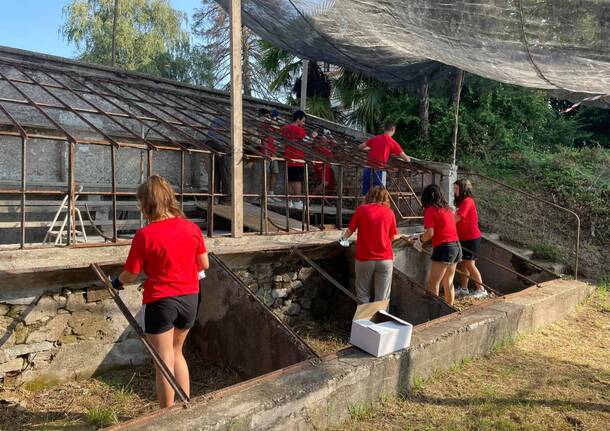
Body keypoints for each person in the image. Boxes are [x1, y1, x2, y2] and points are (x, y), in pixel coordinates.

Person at [112, 175, 209, 408]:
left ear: (146, 204)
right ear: (170, 199)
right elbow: (204, 264)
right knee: (178, 352)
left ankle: (166, 416)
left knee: (163, 360)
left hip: (161, 301)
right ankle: (186, 407)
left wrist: (116, 282)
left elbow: (131, 274)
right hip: (190, 299)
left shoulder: (145, 235)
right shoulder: (191, 228)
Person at [340, 186, 402, 303]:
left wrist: (342, 240)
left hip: (364, 258)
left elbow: (349, 231)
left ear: (369, 196)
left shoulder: (361, 210)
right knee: (382, 298)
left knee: (363, 295)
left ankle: (363, 320)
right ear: (385, 198)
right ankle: (381, 320)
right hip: (385, 259)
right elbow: (392, 236)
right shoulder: (390, 213)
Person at [412, 184, 461, 306]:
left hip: (444, 248)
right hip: (456, 246)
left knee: (433, 283)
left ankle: (434, 312)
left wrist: (420, 241)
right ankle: (449, 310)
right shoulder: (448, 209)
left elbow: (429, 233)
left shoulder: (430, 210)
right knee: (448, 282)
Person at [453, 179, 487, 298]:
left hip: (471, 238)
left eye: (456, 188)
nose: (454, 191)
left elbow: (457, 218)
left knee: (469, 264)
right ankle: (464, 288)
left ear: (463, 189)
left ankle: (481, 290)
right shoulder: (462, 202)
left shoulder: (467, 201)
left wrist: (443, 223)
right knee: (464, 264)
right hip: (464, 237)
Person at [358, 121, 411, 195]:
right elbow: (406, 159)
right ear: (393, 129)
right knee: (380, 195)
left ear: (384, 129)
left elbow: (360, 147)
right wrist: (409, 159)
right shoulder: (392, 142)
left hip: (368, 169)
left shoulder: (375, 139)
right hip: (380, 170)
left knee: (366, 195)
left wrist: (371, 148)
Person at [281, 110, 308, 209]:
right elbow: (307, 142)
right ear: (298, 119)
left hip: (288, 158)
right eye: (303, 121)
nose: (303, 124)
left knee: (289, 181)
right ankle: (297, 202)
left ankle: (288, 201)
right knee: (297, 181)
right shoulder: (300, 130)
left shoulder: (284, 128)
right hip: (298, 159)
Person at [205, 116, 231, 205]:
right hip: (222, 143)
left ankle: (214, 198)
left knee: (215, 172)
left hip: (210, 142)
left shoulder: (217, 118)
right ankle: (226, 199)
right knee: (225, 172)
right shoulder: (235, 116)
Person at [257, 108, 280, 201]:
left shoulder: (270, 124)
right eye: (266, 116)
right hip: (265, 151)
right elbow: (263, 138)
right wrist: (266, 152)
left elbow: (277, 129)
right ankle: (264, 194)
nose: (268, 117)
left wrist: (274, 120)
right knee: (266, 173)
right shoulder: (261, 124)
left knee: (274, 172)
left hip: (273, 151)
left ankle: (271, 193)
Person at [312, 131, 335, 197]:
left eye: (325, 139)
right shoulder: (318, 147)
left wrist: (330, 137)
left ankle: (325, 199)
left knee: (328, 184)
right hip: (321, 166)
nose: (326, 140)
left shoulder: (327, 147)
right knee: (325, 183)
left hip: (327, 166)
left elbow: (335, 143)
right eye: (323, 139)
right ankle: (310, 197)